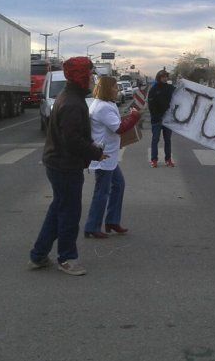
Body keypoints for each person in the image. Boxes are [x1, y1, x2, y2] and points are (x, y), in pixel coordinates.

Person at [29, 56, 106, 276]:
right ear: (82, 76)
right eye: (90, 74)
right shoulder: (72, 102)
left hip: (59, 162)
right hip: (64, 165)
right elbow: (72, 140)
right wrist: (96, 152)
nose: (93, 78)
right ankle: (67, 258)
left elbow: (72, 137)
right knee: (69, 213)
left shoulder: (70, 97)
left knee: (59, 209)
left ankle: (39, 254)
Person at [84, 76, 141, 239]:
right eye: (115, 87)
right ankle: (92, 226)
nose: (118, 90)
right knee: (102, 192)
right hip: (103, 157)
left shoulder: (106, 104)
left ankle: (111, 221)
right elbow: (119, 128)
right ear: (108, 89)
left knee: (118, 185)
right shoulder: (103, 107)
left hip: (109, 155)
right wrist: (135, 117)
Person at [148, 68, 176, 168]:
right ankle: (154, 160)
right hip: (157, 119)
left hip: (168, 119)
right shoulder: (154, 89)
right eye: (163, 77)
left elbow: (179, 93)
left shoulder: (170, 88)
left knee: (167, 140)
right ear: (159, 77)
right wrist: (157, 115)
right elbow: (151, 105)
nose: (165, 78)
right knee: (155, 140)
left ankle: (168, 159)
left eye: (166, 77)